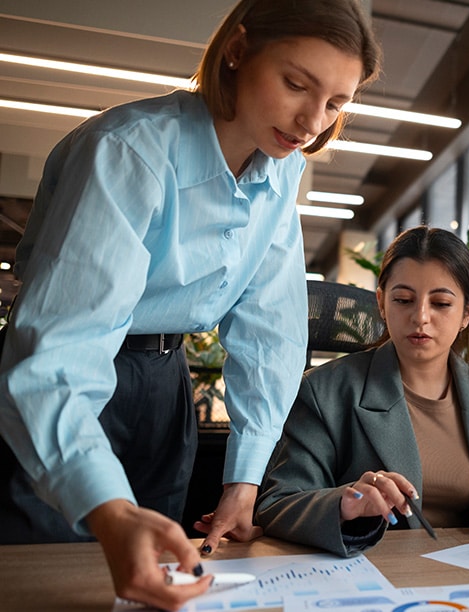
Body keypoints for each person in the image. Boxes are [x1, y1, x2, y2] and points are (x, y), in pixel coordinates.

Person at [0, 0, 381, 609]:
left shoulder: (280, 170)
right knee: (49, 581)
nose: (313, 121)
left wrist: (245, 478)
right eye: (296, 84)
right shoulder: (129, 151)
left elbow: (270, 328)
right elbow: (60, 356)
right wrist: (106, 508)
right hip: (72, 385)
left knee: (155, 585)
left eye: (336, 103)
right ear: (237, 49)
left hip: (164, 382)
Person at [256, 226, 469, 556]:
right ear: (381, 301)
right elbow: (277, 504)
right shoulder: (325, 392)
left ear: (467, 312)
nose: (420, 317)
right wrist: (345, 503)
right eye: (403, 300)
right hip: (373, 580)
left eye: (441, 303)